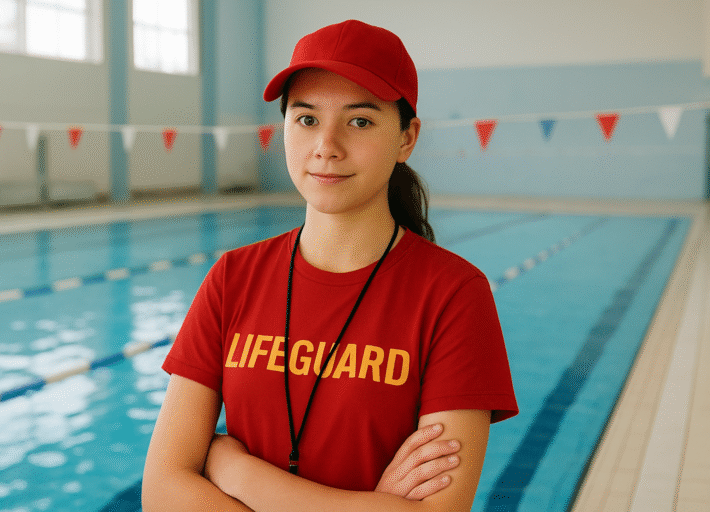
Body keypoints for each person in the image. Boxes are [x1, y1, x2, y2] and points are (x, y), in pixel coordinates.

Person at [142, 19, 518, 512]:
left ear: (406, 138)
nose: (327, 146)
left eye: (359, 121)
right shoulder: (233, 278)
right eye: (306, 119)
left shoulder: (452, 294)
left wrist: (238, 471)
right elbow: (162, 492)